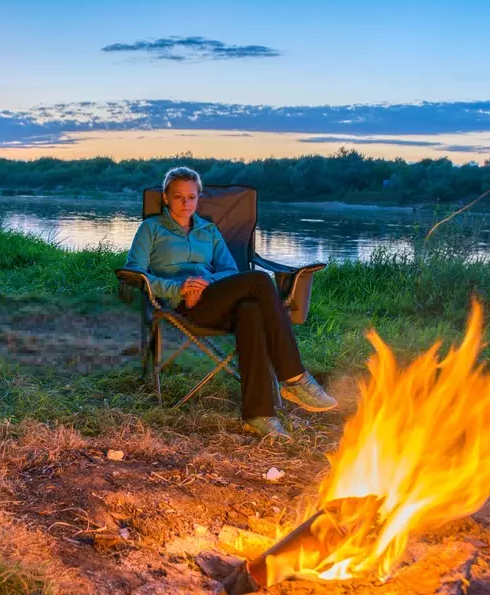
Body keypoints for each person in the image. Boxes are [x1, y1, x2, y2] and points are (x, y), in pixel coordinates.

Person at [124, 166, 336, 438]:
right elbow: (135, 274)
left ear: (198, 197)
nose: (186, 203)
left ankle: (259, 415)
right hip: (177, 305)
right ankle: (294, 377)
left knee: (251, 311)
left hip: (212, 299)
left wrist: (205, 283)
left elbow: (229, 271)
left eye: (191, 196)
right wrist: (179, 287)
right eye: (178, 196)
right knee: (258, 281)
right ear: (166, 197)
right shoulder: (150, 229)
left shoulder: (209, 231)